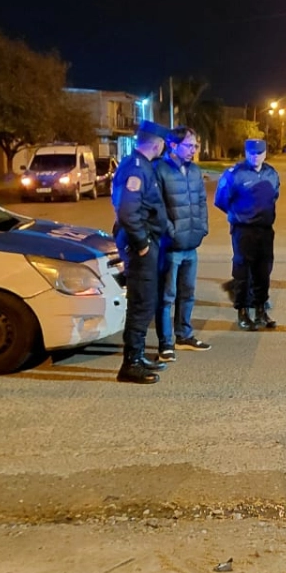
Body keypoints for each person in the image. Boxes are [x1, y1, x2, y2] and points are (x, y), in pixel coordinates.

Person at [112, 120, 171, 384]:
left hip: (146, 243)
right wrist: (142, 242)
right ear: (157, 143)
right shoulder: (136, 168)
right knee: (142, 303)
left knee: (145, 301)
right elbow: (127, 211)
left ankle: (137, 355)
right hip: (140, 246)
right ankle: (130, 364)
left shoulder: (139, 164)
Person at [153, 126, 211, 361]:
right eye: (189, 145)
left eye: (195, 145)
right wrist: (171, 232)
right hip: (170, 247)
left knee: (187, 293)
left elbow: (201, 202)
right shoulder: (160, 170)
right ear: (173, 146)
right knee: (167, 296)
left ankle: (184, 335)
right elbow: (157, 207)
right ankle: (165, 343)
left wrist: (202, 227)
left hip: (191, 244)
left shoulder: (195, 171)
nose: (193, 150)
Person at [214, 138, 280, 332]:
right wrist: (240, 214)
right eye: (252, 153)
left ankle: (261, 310)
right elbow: (221, 200)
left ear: (265, 153)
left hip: (265, 229)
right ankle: (243, 312)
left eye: (259, 153)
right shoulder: (235, 174)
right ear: (246, 153)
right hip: (244, 229)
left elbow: (274, 196)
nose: (255, 157)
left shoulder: (271, 173)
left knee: (263, 271)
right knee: (243, 271)